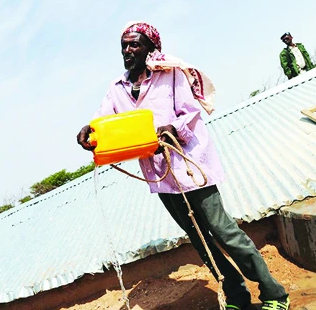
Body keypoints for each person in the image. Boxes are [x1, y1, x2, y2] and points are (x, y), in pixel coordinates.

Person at [76, 22, 290, 310]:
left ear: (151, 48)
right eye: (124, 45)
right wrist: (89, 130)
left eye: (134, 44)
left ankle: (274, 293)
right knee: (200, 239)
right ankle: (237, 296)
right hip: (160, 176)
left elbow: (189, 112)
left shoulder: (171, 75)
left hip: (189, 166)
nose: (128, 50)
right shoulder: (117, 89)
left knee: (223, 231)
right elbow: (103, 118)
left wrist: (172, 129)